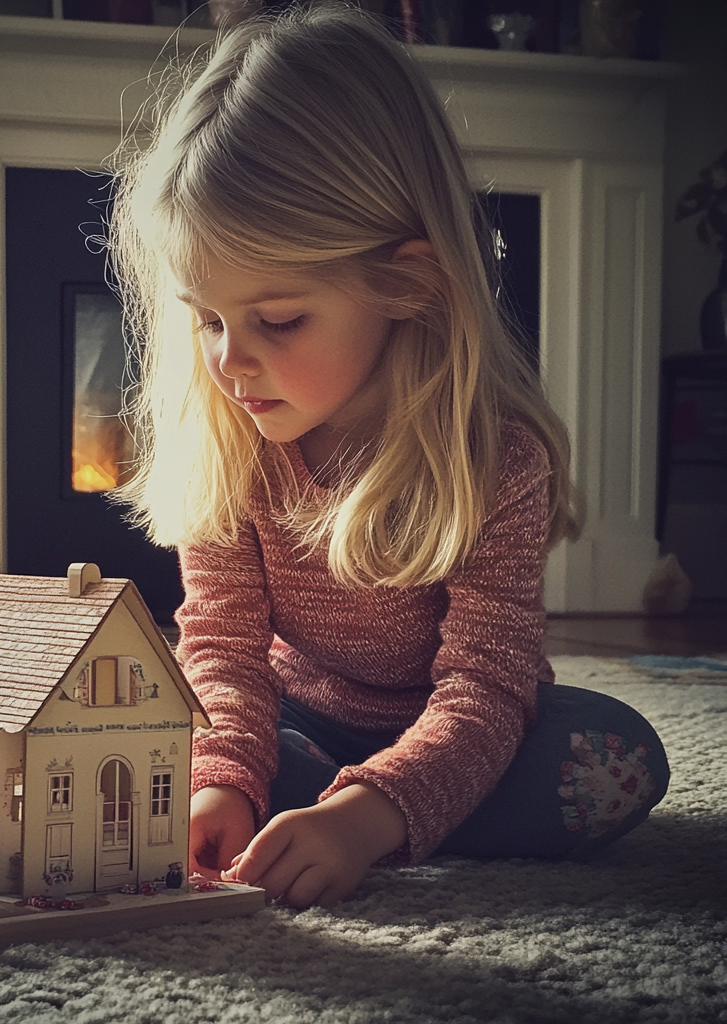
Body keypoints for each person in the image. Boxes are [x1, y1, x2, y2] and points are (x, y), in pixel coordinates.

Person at [107, 3, 669, 909]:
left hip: (459, 727)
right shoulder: (229, 435)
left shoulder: (496, 462)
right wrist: (220, 781)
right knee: (151, 741)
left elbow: (487, 690)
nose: (228, 361)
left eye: (278, 320)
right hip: (291, 717)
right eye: (206, 319)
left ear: (406, 282)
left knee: (615, 763)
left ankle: (366, 811)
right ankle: (301, 800)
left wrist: (371, 813)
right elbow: (222, 652)